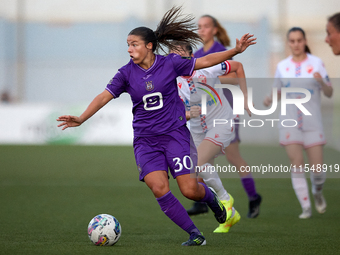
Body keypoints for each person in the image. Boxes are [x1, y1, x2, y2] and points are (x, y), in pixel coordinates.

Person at [57, 6, 256, 246]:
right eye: (128, 45)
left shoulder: (170, 63)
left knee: (190, 191)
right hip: (145, 141)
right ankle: (195, 234)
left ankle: (214, 202)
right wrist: (81, 118)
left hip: (175, 136)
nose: (129, 49)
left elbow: (203, 61)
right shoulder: (125, 73)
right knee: (159, 188)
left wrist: (235, 50)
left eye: (134, 44)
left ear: (149, 45)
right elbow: (103, 97)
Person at [187, 14, 262, 219]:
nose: (201, 30)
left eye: (206, 26)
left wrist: (210, 79)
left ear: (214, 30)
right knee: (205, 159)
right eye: (199, 27)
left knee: (232, 156)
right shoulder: (197, 54)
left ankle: (253, 196)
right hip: (205, 116)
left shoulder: (219, 51)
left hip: (226, 109)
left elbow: (234, 77)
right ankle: (204, 201)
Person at [172, 41, 250, 233]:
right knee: (198, 170)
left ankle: (224, 198)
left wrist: (246, 97)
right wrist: (188, 114)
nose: (176, 60)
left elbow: (238, 66)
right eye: (172, 56)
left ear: (191, 57)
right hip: (197, 129)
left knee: (196, 162)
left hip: (222, 123)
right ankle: (229, 217)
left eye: (180, 55)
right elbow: (173, 109)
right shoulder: (172, 81)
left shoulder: (206, 69)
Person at [264, 27, 333, 219]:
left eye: (299, 40)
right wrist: (269, 99)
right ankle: (306, 207)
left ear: (304, 41)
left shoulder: (317, 63)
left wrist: (321, 83)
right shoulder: (282, 66)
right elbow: (277, 92)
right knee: (297, 163)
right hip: (289, 122)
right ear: (288, 43)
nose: (296, 44)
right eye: (292, 41)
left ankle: (317, 192)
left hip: (312, 122)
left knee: (318, 170)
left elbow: (329, 92)